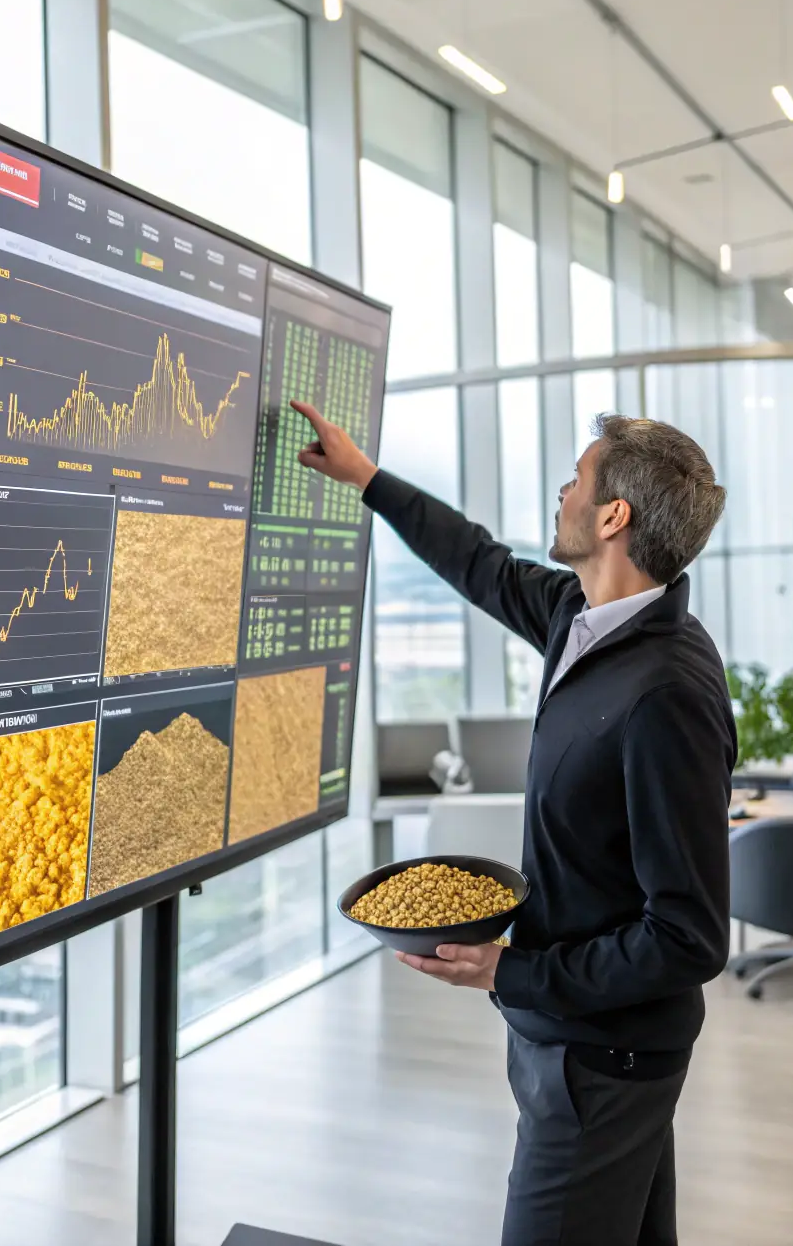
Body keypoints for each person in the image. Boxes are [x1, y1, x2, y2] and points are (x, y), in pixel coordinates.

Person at [291, 399, 736, 1246]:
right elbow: (478, 561)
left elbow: (689, 936)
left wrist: (509, 972)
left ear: (614, 515)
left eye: (576, 478)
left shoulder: (666, 692)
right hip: (578, 1041)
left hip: (603, 1059)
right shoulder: (581, 617)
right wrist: (369, 479)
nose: (562, 491)